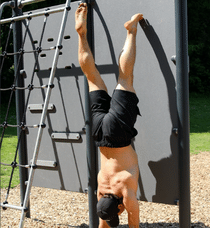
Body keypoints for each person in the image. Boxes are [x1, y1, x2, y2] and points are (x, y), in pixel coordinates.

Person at [75, 3, 143, 228]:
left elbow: (134, 223)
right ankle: (81, 35)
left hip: (118, 133)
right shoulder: (101, 190)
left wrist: (128, 206)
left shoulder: (126, 190)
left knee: (125, 79)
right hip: (98, 132)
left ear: (120, 206)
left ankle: (131, 30)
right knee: (92, 77)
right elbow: (103, 223)